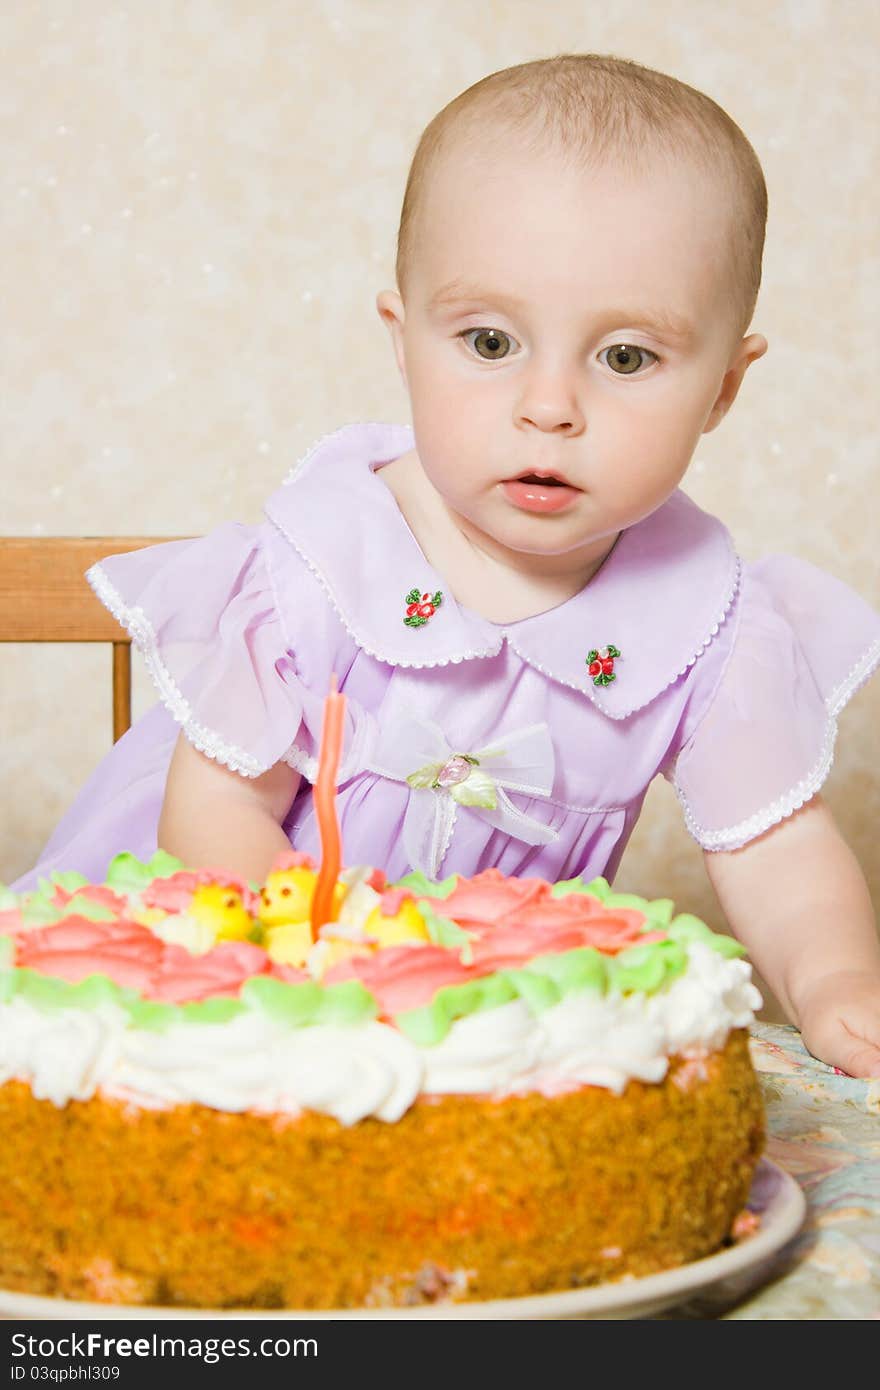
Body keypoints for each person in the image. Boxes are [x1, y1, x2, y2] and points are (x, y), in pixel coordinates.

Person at [13, 54, 880, 1076]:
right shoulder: (326, 566)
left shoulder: (706, 625)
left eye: (626, 358)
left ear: (725, 387)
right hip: (211, 976)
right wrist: (291, 998)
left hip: (470, 1033)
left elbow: (773, 847)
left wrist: (836, 983)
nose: (549, 405)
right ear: (404, 337)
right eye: (488, 340)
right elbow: (219, 809)